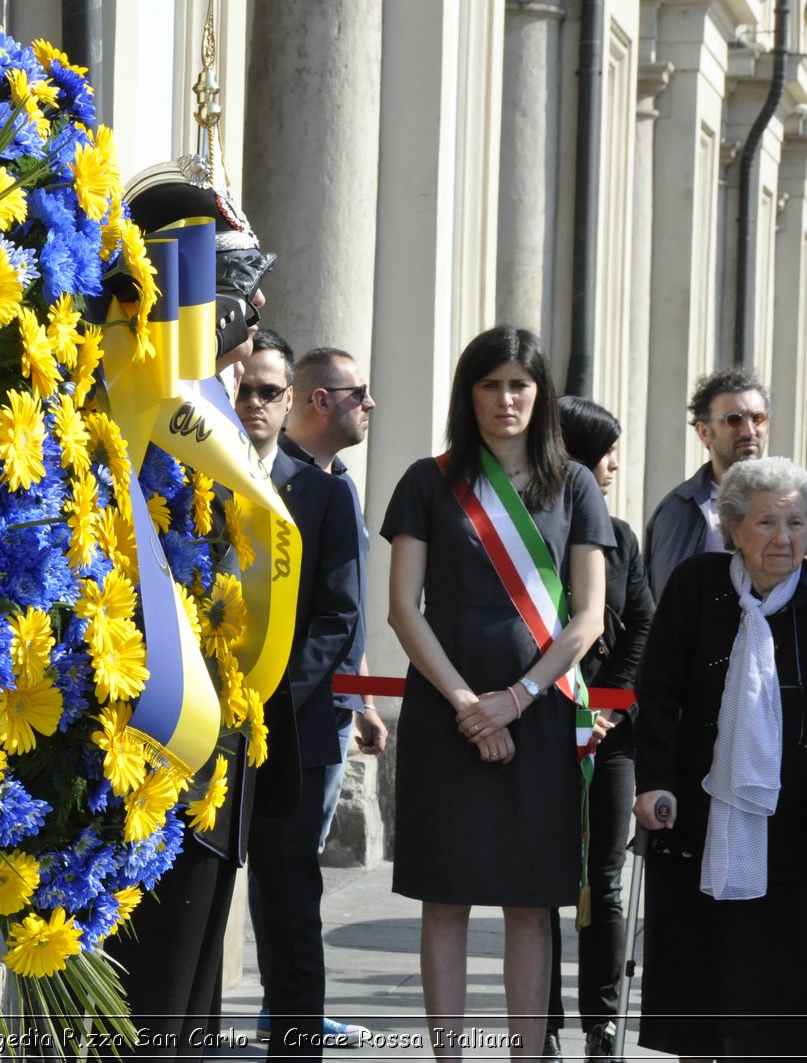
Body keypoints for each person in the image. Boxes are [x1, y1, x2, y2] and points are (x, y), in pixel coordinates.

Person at [382, 325, 609, 1060]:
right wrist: (467, 706)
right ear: (468, 392)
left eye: (519, 383)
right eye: (490, 383)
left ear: (539, 394)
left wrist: (514, 699)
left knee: (530, 901)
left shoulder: (574, 485)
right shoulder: (428, 479)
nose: (505, 399)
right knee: (445, 899)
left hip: (538, 716)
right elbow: (403, 609)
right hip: (444, 716)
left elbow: (589, 617)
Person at [103, 155, 275, 1058]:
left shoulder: (201, 399)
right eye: (231, 294)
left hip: (212, 746)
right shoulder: (126, 387)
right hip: (148, 742)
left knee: (189, 1010)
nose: (248, 333)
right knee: (148, 1006)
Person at [633, 456, 807, 1062]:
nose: (785, 539)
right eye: (766, 524)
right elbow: (657, 695)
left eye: (797, 524)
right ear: (733, 529)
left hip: (797, 820)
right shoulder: (695, 585)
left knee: (785, 980)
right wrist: (654, 782)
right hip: (701, 811)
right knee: (703, 966)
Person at [236, 331, 366, 1054]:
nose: (254, 402)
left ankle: (295, 1044)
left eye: (268, 391)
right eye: (244, 387)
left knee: (289, 907)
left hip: (290, 730)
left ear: (291, 402)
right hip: (197, 725)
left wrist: (268, 695)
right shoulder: (192, 474)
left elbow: (338, 614)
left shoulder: (322, 492)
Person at [542, 397, 654, 1063]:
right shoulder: (529, 531)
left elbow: (641, 620)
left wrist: (610, 705)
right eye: (605, 450)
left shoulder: (620, 534)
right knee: (546, 883)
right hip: (541, 726)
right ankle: (545, 1020)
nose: (614, 465)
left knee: (603, 877)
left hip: (611, 736)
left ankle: (602, 1022)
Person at [284, 344, 388, 837]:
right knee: (289, 853)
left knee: (308, 847)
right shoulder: (282, 481)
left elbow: (346, 606)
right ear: (321, 401)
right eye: (360, 394)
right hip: (295, 701)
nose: (370, 404)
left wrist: (364, 701)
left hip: (337, 702)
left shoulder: (342, 484)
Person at [644, 366, 807, 599]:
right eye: (734, 420)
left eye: (758, 418)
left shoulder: (797, 494)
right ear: (704, 432)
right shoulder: (681, 507)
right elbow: (667, 594)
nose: (749, 431)